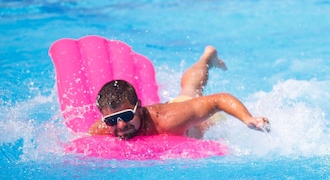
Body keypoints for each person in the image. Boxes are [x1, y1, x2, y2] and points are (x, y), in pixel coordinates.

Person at [89, 45, 270, 139]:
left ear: (139, 107)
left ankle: (207, 58)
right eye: (112, 120)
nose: (120, 125)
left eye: (127, 116)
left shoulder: (170, 120)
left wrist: (249, 119)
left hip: (197, 124)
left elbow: (219, 100)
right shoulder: (103, 129)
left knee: (191, 90)